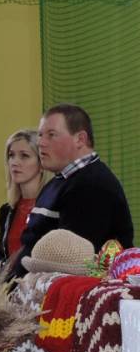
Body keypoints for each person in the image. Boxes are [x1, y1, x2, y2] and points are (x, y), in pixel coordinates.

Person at [12, 104, 133, 277]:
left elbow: (71, 265)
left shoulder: (93, 186)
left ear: (80, 139)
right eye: (40, 135)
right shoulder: (58, 183)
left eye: (51, 135)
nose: (41, 142)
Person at [0, 129, 48, 273]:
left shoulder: (52, 209)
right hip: (10, 284)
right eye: (11, 155)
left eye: (24, 156)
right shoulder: (7, 211)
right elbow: (1, 258)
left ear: (42, 164)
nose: (15, 162)